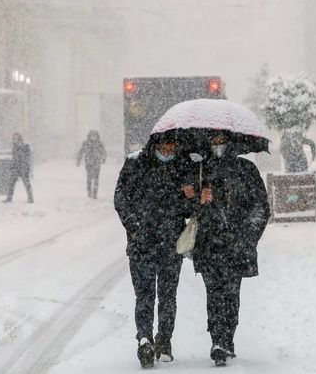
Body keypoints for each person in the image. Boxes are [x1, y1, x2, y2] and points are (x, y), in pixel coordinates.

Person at [183, 132, 270, 367]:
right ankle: (217, 341)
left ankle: (227, 338)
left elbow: (261, 206)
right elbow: (186, 207)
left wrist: (247, 236)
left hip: (236, 244)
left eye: (222, 141)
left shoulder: (246, 169)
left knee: (231, 295)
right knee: (214, 293)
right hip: (209, 244)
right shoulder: (200, 171)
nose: (218, 146)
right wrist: (199, 199)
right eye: (214, 142)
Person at [114, 133, 188, 368]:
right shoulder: (135, 163)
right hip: (142, 244)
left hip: (171, 243)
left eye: (172, 148)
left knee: (168, 296)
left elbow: (187, 209)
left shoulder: (181, 166)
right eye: (164, 147)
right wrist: (134, 227)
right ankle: (144, 338)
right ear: (154, 145)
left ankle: (164, 340)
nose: (167, 152)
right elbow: (120, 197)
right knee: (145, 295)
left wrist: (189, 197)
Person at [2, 132, 34, 203]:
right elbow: (14, 158)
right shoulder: (14, 146)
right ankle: (9, 198)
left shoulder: (25, 146)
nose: (13, 139)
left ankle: (30, 198)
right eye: (13, 138)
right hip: (15, 168)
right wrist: (12, 166)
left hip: (23, 168)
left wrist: (24, 165)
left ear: (19, 138)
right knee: (11, 183)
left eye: (15, 138)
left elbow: (26, 157)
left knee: (26, 183)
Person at [76, 130, 107, 199]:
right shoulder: (86, 143)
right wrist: (78, 160)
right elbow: (81, 152)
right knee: (89, 178)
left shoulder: (99, 144)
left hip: (97, 163)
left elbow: (104, 152)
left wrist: (104, 158)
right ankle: (89, 193)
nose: (93, 137)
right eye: (92, 135)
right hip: (89, 163)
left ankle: (95, 194)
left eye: (94, 135)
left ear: (97, 136)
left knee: (96, 179)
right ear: (89, 136)